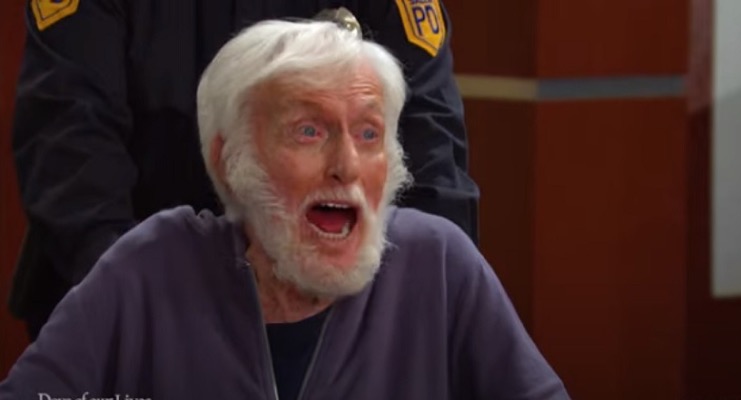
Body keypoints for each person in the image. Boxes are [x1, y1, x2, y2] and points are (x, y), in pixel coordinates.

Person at [0, 19, 568, 399]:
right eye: (308, 132)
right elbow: (67, 131)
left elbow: (433, 135)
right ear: (229, 161)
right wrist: (148, 317)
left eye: (369, 134)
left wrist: (414, 302)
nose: (347, 165)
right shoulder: (146, 268)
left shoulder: (438, 264)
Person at [10, 0, 479, 341]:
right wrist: (136, 302)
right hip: (121, 302)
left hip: (341, 314)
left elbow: (432, 153)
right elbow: (69, 140)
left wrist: (415, 308)